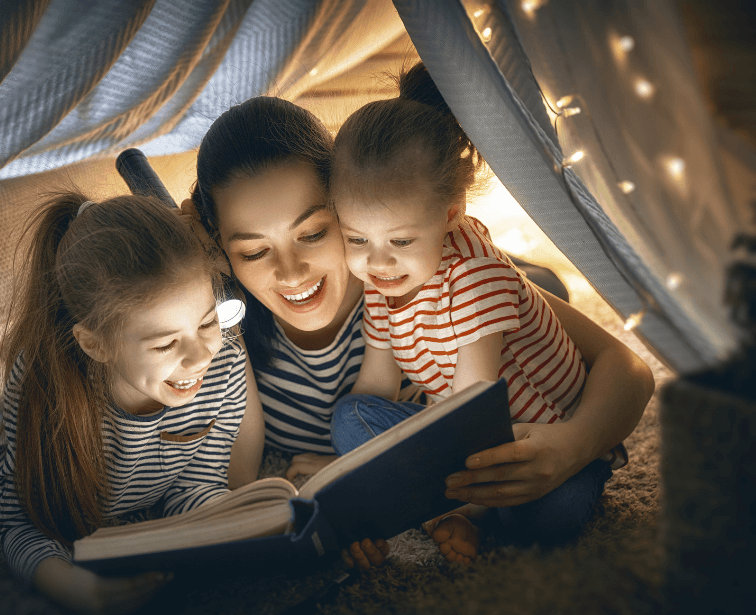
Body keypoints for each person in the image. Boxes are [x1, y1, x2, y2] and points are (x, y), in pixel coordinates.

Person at [185, 92, 653, 570]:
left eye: (312, 234)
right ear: (222, 249)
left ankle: (532, 270)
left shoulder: (430, 279)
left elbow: (630, 369)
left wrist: (574, 446)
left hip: (493, 359)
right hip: (437, 452)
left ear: (349, 203)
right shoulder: (225, 319)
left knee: (534, 289)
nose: (292, 273)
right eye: (253, 252)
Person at [326, 62, 650, 563]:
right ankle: (467, 508)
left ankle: (463, 511)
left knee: (556, 514)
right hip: (470, 436)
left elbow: (470, 408)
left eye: (402, 240)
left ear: (450, 215)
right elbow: (375, 387)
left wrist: (414, 481)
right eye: (356, 239)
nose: (377, 262)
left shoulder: (476, 277)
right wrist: (342, 476)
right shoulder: (381, 281)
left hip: (539, 436)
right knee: (350, 419)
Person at [0, 193, 263, 615]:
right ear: (95, 344)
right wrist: (74, 589)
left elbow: (195, 484)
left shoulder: (224, 364)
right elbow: (23, 524)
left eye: (207, 322)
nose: (202, 356)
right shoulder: (44, 387)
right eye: (165, 344)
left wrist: (243, 520)